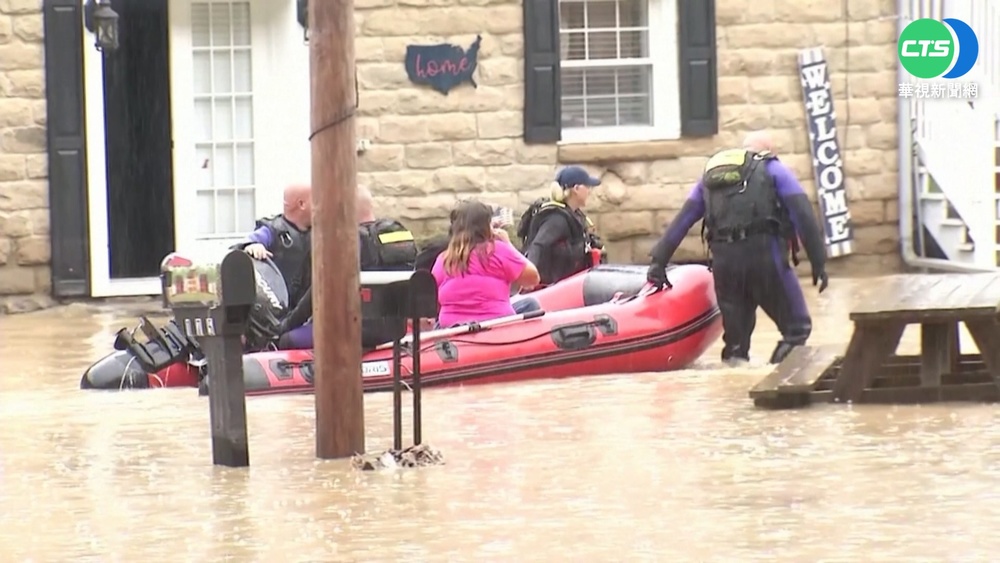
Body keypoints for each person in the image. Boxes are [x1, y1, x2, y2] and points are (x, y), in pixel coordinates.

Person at [645, 131, 829, 365]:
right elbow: (802, 213)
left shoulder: (710, 178)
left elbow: (683, 220)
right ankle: (773, 385)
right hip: (765, 261)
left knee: (735, 344)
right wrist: (818, 260)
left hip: (725, 265)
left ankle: (734, 391)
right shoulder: (774, 169)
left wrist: (658, 262)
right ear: (768, 151)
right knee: (797, 330)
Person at [276, 186, 419, 350]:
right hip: (394, 331)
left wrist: (285, 326)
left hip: (348, 332)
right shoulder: (398, 235)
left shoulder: (346, 242)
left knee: (288, 340)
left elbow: (316, 293)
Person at [433, 200, 541, 328]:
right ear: (485, 227)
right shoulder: (498, 250)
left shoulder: (444, 259)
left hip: (452, 327)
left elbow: (433, 298)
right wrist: (508, 244)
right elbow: (533, 279)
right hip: (496, 323)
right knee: (530, 304)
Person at [520, 166, 604, 286]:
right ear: (576, 188)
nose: (589, 191)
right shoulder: (557, 219)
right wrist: (528, 278)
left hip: (569, 283)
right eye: (587, 187)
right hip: (551, 288)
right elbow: (538, 245)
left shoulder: (574, 215)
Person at [236, 183, 313, 309]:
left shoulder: (319, 233)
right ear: (302, 204)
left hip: (308, 309)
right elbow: (247, 243)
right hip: (279, 310)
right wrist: (253, 246)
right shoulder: (273, 230)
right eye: (316, 200)